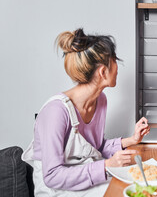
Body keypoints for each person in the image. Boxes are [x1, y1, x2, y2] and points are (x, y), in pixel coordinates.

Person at [22, 29, 150, 196]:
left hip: (85, 178)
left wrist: (131, 140)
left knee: (140, 187)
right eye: (115, 60)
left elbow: (95, 147)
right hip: (56, 190)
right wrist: (106, 166)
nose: (118, 67)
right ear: (103, 71)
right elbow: (52, 176)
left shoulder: (101, 100)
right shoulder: (56, 112)